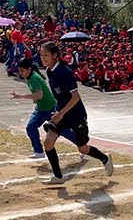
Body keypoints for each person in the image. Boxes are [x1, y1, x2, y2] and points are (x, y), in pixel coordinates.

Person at [38, 42, 114, 185]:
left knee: (83, 148)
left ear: (55, 55)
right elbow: (60, 95)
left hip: (76, 114)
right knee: (48, 142)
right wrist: (58, 111)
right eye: (41, 55)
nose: (43, 58)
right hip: (62, 113)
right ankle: (58, 176)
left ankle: (105, 158)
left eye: (46, 55)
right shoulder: (49, 70)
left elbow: (75, 97)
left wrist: (61, 113)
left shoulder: (64, 72)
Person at [10, 58, 56, 159]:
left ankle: (82, 145)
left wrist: (20, 96)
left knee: (63, 130)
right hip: (41, 108)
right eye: (19, 70)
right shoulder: (30, 76)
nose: (20, 73)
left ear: (29, 69)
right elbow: (38, 95)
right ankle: (38, 151)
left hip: (50, 108)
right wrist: (35, 100)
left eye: (22, 70)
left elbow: (39, 95)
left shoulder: (34, 77)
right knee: (30, 128)